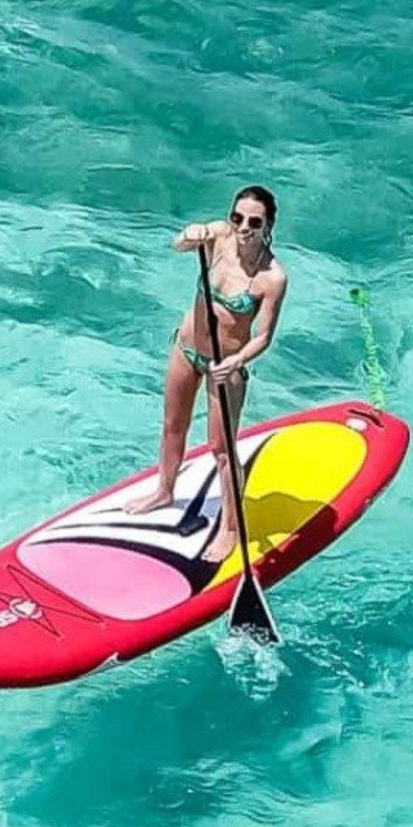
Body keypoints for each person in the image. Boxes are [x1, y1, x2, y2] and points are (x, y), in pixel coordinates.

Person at [123, 184, 288, 562]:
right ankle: (164, 490)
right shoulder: (217, 237)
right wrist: (189, 234)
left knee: (223, 450)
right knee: (172, 425)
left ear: (268, 226)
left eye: (254, 221)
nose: (243, 227)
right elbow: (178, 244)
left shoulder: (272, 277)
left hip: (225, 367)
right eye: (238, 217)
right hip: (186, 349)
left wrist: (237, 360)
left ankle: (230, 527)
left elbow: (262, 336)